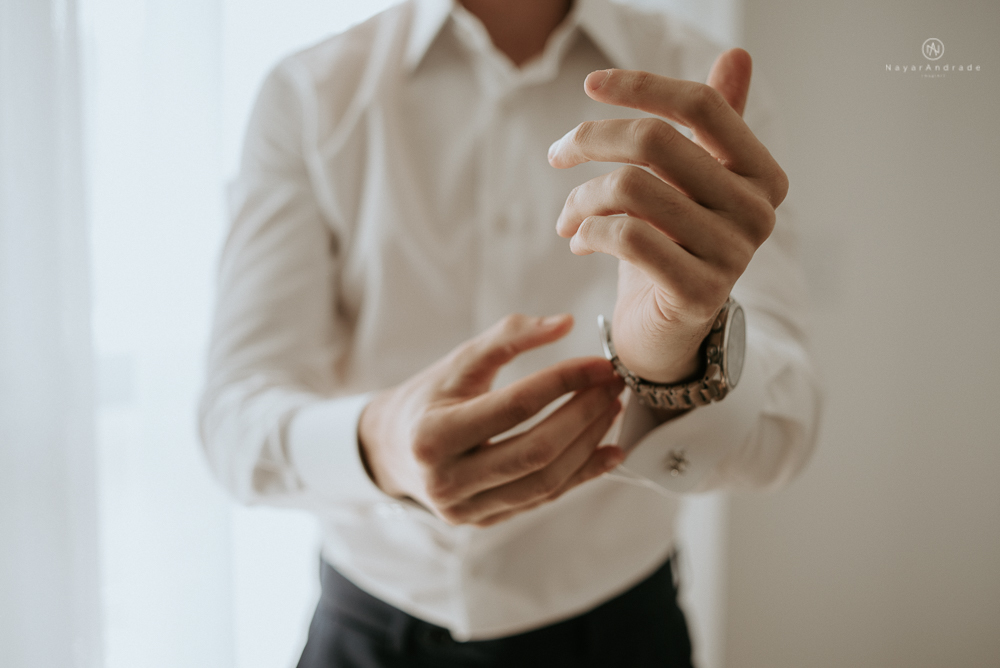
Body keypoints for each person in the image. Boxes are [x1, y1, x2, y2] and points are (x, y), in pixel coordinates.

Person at [199, 0, 821, 665]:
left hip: (620, 634)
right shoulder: (309, 94)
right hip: (370, 633)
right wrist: (377, 444)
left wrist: (671, 354)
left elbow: (783, 435)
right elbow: (233, 419)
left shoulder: (697, 86)